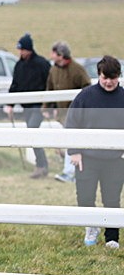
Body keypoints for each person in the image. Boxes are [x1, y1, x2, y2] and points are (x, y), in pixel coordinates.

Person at [64, 55, 124, 249]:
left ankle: (112, 237)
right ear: (98, 75)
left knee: (112, 198)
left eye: (113, 78)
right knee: (85, 197)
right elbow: (72, 123)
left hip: (115, 159)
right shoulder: (85, 96)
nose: (108, 82)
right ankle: (91, 226)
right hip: (87, 158)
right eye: (105, 77)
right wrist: (74, 151)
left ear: (119, 76)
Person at [3, 33, 51, 178]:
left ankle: (41, 165)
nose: (21, 52)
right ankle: (42, 165)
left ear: (28, 49)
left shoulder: (42, 64)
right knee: (32, 134)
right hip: (27, 106)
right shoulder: (19, 66)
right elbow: (15, 85)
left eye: (22, 49)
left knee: (32, 131)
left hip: (39, 106)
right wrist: (10, 104)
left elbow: (50, 84)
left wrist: (50, 105)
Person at [42, 40, 91, 183]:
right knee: (71, 141)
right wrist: (46, 108)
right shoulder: (53, 69)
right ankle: (71, 172)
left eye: (53, 53)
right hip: (63, 114)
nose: (51, 56)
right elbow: (49, 89)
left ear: (60, 54)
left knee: (74, 142)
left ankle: (70, 172)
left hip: (77, 113)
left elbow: (87, 89)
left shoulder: (77, 69)